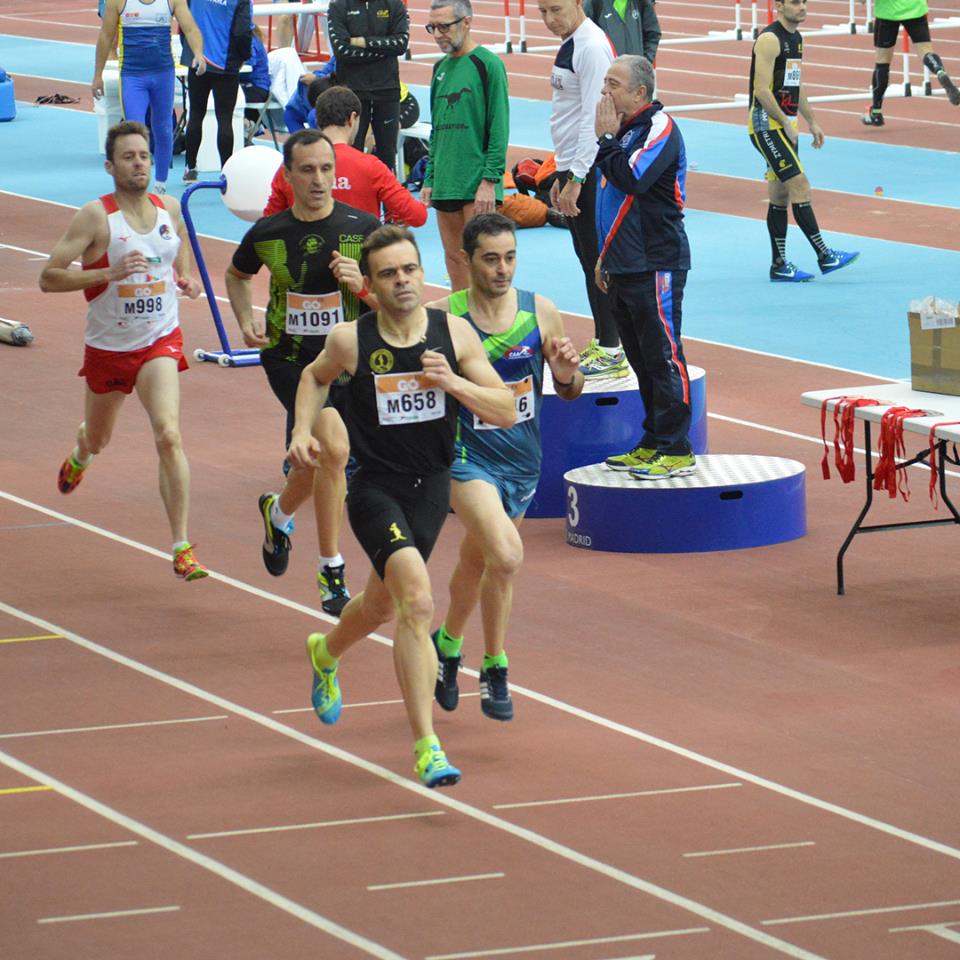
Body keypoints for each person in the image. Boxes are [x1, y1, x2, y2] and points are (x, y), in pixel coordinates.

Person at [291, 225, 516, 787]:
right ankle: (427, 747)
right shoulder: (352, 340)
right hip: (375, 489)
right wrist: (300, 430)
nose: (402, 281)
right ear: (370, 285)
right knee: (416, 600)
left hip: (433, 489)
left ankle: (325, 651)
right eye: (388, 273)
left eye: (410, 269)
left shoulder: (453, 334)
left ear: (423, 272)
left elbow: (506, 408)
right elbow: (313, 377)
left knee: (380, 606)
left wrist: (454, 384)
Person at [425, 213, 583, 721]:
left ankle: (447, 645)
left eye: (510, 258)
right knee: (507, 555)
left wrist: (567, 375)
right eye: (491, 259)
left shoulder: (540, 312)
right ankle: (495, 665)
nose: (502, 269)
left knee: (480, 561)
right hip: (465, 459)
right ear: (466, 260)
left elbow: (568, 390)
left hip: (522, 459)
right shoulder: (442, 318)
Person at [39, 121, 207, 580]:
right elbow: (49, 277)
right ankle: (82, 453)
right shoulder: (95, 217)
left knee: (168, 434)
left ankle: (181, 546)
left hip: (159, 339)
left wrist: (185, 277)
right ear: (110, 166)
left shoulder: (169, 207)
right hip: (109, 348)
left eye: (144, 156)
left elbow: (177, 249)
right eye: (129, 157)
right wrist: (106, 274)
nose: (139, 164)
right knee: (99, 438)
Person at [225, 130, 381, 614]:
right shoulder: (268, 232)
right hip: (291, 361)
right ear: (288, 175)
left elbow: (400, 304)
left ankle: (277, 513)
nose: (318, 179)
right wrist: (244, 318)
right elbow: (237, 274)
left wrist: (363, 286)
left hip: (349, 360)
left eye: (326, 169)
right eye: (307, 170)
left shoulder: (364, 228)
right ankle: (332, 569)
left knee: (312, 463)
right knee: (334, 450)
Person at [594, 56, 695, 480]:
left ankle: (677, 448)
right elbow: (612, 201)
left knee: (663, 356)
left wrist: (605, 139)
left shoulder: (659, 127)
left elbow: (632, 178)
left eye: (613, 84)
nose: (605, 92)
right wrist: (605, 255)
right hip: (623, 262)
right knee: (640, 358)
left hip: (656, 261)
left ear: (639, 92)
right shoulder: (624, 132)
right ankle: (654, 439)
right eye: (604, 83)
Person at [538, 0, 627, 380]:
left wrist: (576, 177)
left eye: (556, 9)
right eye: (542, 12)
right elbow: (568, 113)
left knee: (597, 259)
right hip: (571, 164)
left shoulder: (590, 46)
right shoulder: (571, 41)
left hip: (587, 169)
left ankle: (612, 348)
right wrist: (561, 171)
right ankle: (606, 339)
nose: (549, 19)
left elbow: (595, 116)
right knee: (586, 256)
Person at [748, 0, 859, 282]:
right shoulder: (769, 40)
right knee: (800, 184)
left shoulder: (796, 39)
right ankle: (825, 255)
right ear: (779, 5)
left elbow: (795, 83)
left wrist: (812, 121)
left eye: (804, 2)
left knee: (780, 195)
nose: (802, 7)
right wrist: (785, 122)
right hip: (766, 126)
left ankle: (779, 265)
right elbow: (761, 90)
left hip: (786, 125)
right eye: (795, 2)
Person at [421, 0, 510, 293]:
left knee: (483, 261)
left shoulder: (488, 64)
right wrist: (430, 178)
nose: (438, 34)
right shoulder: (439, 69)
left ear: (467, 22)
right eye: (432, 27)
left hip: (477, 183)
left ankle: (489, 319)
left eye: (444, 27)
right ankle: (461, 319)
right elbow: (437, 129)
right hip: (446, 182)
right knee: (455, 261)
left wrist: (490, 180)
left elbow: (499, 126)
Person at [263, 85, 428, 227]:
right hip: (360, 253)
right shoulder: (372, 166)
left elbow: (268, 223)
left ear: (318, 120)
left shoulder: (290, 167)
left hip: (304, 252)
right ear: (352, 119)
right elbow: (417, 216)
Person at [92, 0, 205, 195]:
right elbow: (106, 35)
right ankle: (135, 185)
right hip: (133, 76)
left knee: (163, 129)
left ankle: (160, 185)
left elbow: (191, 28)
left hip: (163, 74)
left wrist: (199, 54)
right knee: (134, 134)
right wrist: (97, 75)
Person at [326, 0, 409, 172]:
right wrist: (384, 52)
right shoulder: (338, 6)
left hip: (387, 90)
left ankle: (386, 190)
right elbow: (342, 51)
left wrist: (362, 42)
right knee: (351, 155)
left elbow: (400, 44)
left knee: (387, 158)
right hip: (352, 93)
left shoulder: (394, 4)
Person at [180, 0, 252, 180]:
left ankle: (190, 168)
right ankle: (226, 172)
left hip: (198, 60)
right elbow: (242, 32)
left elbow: (183, 21)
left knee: (195, 114)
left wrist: (190, 52)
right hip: (225, 64)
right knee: (225, 119)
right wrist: (244, 56)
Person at [859, 0, 960, 126]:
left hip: (887, 13)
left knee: (882, 63)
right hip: (915, 8)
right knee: (926, 51)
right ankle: (940, 71)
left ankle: (876, 113)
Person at [582, 0, 661, 60]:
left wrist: (645, 62)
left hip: (634, 72)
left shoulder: (641, 2)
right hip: (605, 72)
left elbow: (652, 34)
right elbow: (582, 36)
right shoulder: (593, 3)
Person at [242, 25, 272, 144]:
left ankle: (247, 125)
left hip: (257, 89)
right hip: (245, 86)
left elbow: (248, 65)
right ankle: (247, 124)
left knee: (222, 95)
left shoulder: (248, 39)